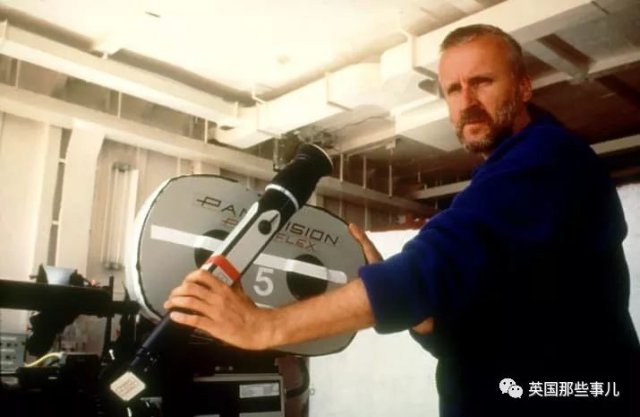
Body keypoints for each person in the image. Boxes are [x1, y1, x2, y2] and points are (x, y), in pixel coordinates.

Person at [164, 24, 639, 416]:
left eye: (482, 82)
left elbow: (428, 270)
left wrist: (260, 327)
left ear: (523, 87)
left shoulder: (547, 159)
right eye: (453, 89)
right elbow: (474, 344)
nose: (466, 100)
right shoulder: (508, 183)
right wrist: (424, 317)